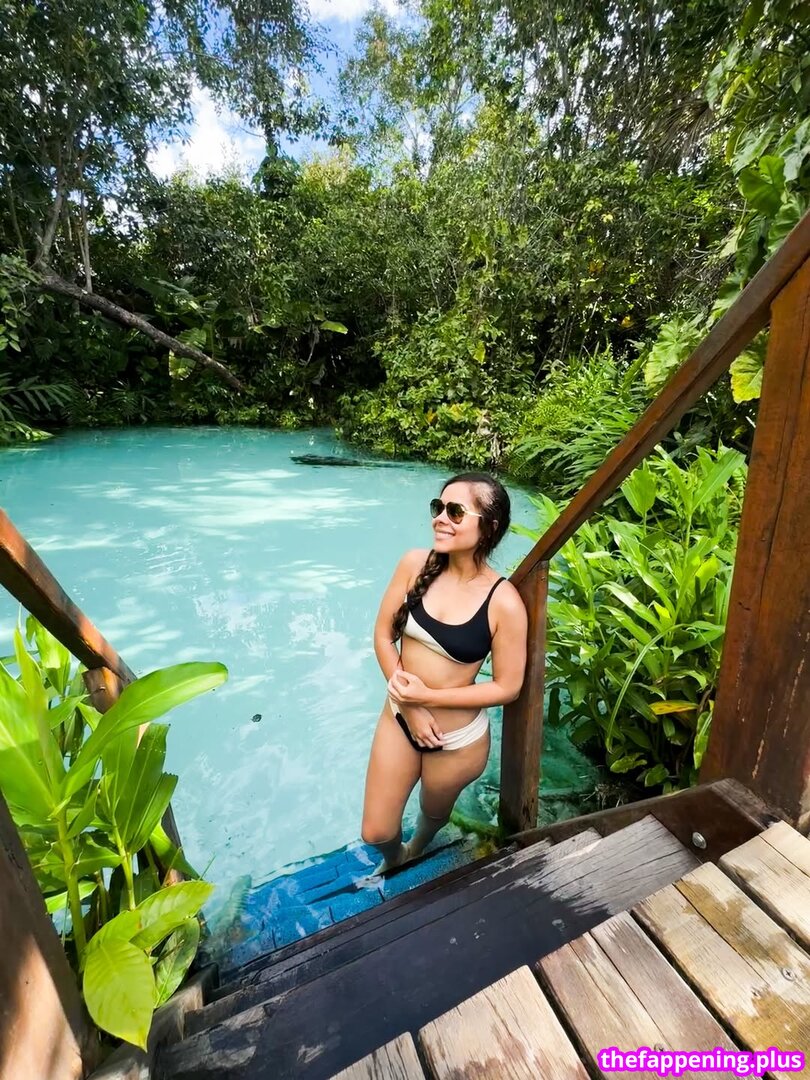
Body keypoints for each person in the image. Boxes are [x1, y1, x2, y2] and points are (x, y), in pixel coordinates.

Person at [361, 472, 528, 874]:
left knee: (432, 812)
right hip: (400, 717)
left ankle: (417, 846)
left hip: (457, 741)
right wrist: (410, 706)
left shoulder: (503, 601)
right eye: (438, 508)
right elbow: (383, 637)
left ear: (489, 527)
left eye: (455, 511)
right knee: (377, 832)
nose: (439, 518)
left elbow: (508, 687)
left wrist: (427, 698)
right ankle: (395, 856)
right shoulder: (414, 564)